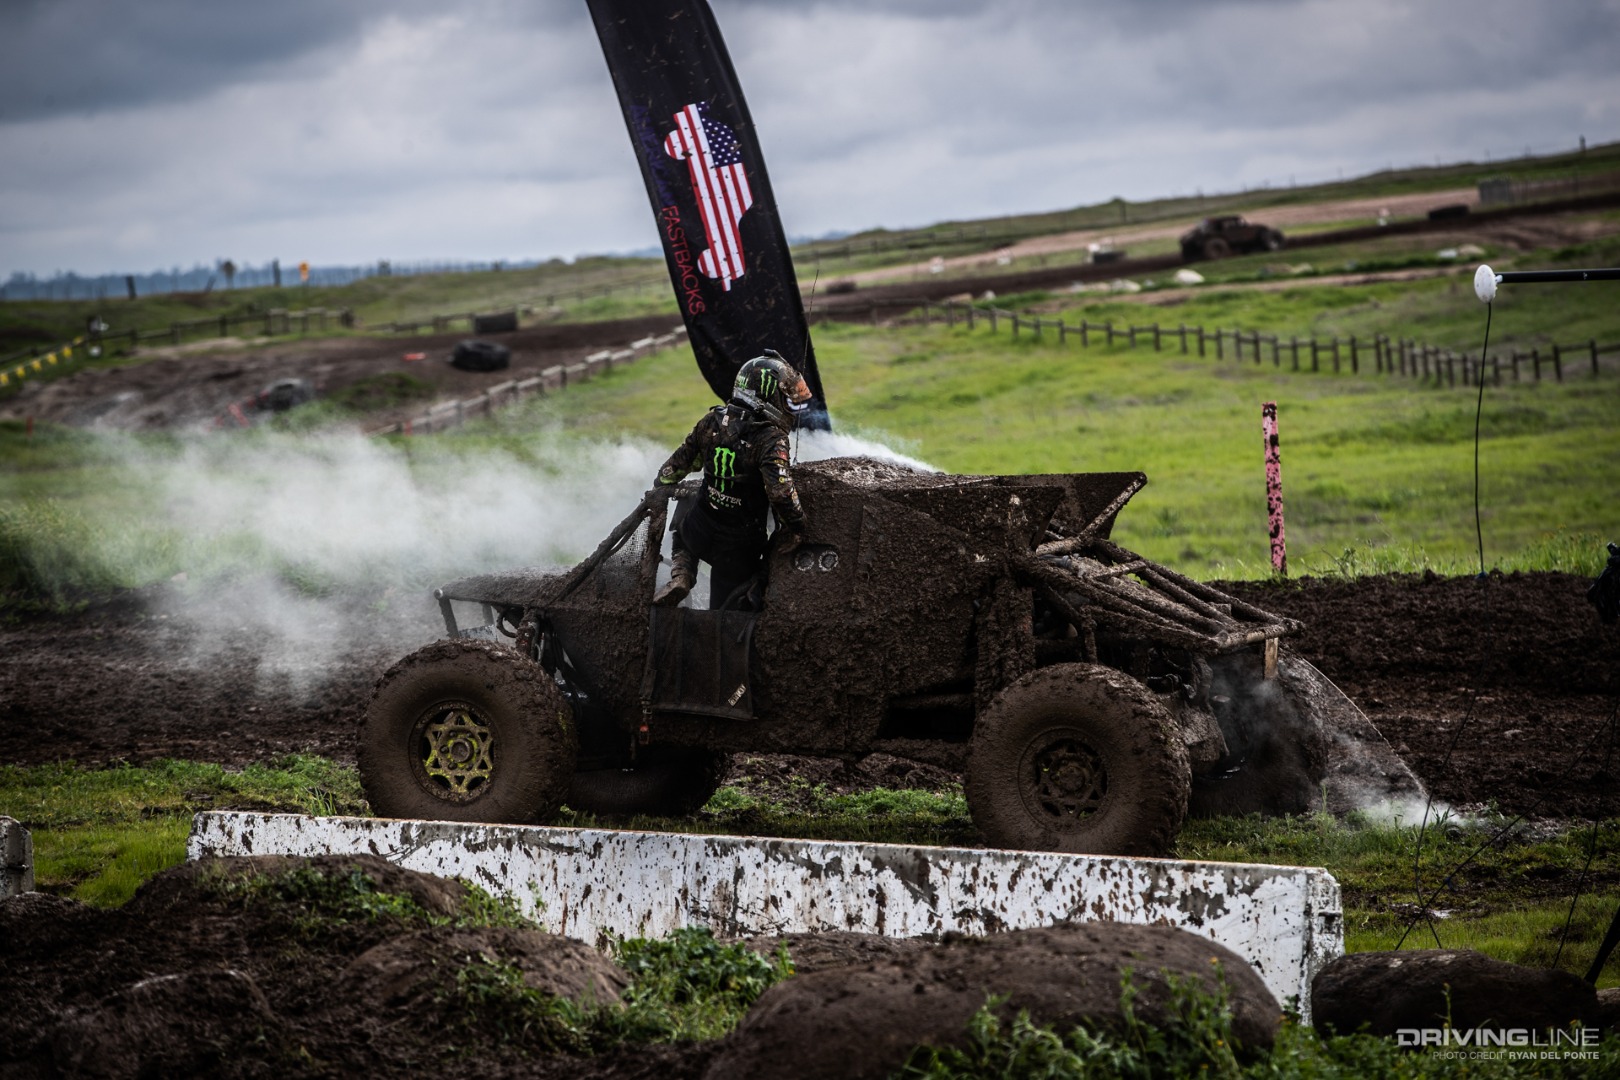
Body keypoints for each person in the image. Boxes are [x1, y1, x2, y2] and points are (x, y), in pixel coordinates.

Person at [653, 351, 812, 609]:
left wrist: (659, 486)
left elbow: (674, 467)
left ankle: (682, 573)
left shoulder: (711, 421)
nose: (792, 407)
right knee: (724, 610)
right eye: (787, 399)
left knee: (683, 524)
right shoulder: (771, 439)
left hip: (700, 529)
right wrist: (798, 527)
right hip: (740, 547)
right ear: (767, 396)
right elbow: (782, 493)